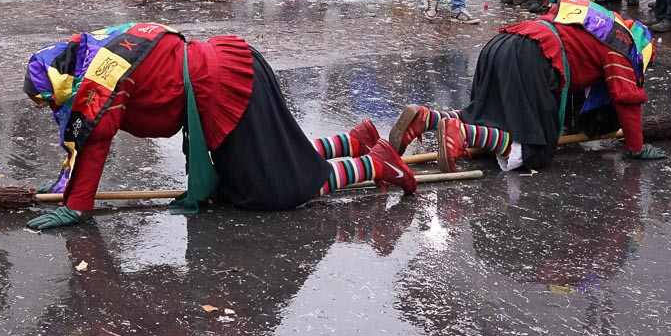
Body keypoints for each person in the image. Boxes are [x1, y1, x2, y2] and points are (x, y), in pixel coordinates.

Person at [22, 23, 417, 229]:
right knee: (268, 160)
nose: (48, 108)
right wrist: (61, 185)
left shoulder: (99, 81)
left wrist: (75, 206)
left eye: (46, 101)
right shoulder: (94, 50)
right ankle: (354, 140)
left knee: (278, 188)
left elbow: (92, 139)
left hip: (228, 88)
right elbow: (83, 134)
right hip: (230, 68)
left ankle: (378, 164)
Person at [388, 0, 664, 173]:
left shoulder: (601, 19)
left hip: (505, 43)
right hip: (533, 58)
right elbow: (626, 98)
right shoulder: (624, 48)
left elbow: (578, 76)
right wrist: (636, 146)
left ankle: (428, 119)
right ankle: (463, 135)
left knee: (488, 112)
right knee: (535, 148)